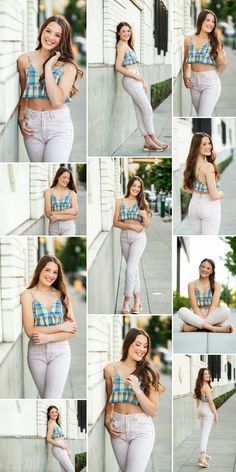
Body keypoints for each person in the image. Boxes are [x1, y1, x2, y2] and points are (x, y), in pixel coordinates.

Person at [17, 16, 83, 162]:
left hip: (58, 125)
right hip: (32, 124)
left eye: (57, 35)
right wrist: (21, 118)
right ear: (41, 31)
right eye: (48, 31)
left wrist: (48, 68)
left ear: (63, 39)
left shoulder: (68, 66)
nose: (50, 37)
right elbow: (24, 93)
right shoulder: (23, 60)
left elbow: (57, 100)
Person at [104, 328, 163, 472]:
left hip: (141, 429)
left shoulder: (149, 373)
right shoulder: (110, 369)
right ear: (128, 344)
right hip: (118, 428)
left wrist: (137, 389)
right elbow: (110, 399)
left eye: (145, 346)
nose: (142, 349)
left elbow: (153, 411)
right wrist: (108, 419)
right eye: (138, 344)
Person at [20, 255, 77, 398]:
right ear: (39, 270)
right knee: (47, 397)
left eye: (55, 272)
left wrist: (47, 337)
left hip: (61, 353)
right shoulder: (27, 295)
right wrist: (60, 327)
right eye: (47, 270)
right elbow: (30, 330)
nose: (51, 275)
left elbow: (72, 330)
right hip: (36, 354)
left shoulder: (62, 295)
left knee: (52, 397)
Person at [115, 22, 168, 152]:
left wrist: (142, 80)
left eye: (128, 31)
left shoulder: (128, 45)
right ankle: (153, 138)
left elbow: (136, 68)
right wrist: (135, 77)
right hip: (130, 80)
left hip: (136, 79)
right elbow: (118, 66)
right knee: (147, 109)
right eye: (123, 31)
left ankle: (147, 142)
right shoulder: (121, 46)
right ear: (119, 33)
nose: (127, 33)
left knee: (140, 110)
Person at [113, 176, 151, 314]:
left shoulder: (142, 203)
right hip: (124, 237)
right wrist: (130, 226)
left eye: (139, 187)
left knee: (129, 270)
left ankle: (126, 302)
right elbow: (115, 222)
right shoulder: (119, 201)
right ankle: (137, 302)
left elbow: (146, 226)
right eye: (134, 186)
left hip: (139, 238)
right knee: (133, 270)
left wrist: (145, 217)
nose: (136, 189)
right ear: (129, 186)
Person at [183, 9, 227, 117]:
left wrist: (222, 57)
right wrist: (186, 77)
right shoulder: (189, 40)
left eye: (213, 22)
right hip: (194, 83)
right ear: (200, 20)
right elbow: (186, 61)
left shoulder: (215, 40)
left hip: (210, 83)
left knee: (202, 116)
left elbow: (221, 69)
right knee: (202, 114)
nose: (211, 24)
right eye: (208, 20)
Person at [182, 132, 223, 235]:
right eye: (204, 144)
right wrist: (221, 194)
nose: (208, 146)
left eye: (209, 143)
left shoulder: (189, 164)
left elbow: (185, 188)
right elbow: (214, 195)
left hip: (194, 205)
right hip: (209, 206)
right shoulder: (208, 166)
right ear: (196, 146)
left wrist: (199, 191)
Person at [178, 258, 232, 333]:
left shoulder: (216, 285)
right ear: (199, 267)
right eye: (203, 267)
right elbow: (194, 306)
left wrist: (205, 319)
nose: (205, 270)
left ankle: (195, 327)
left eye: (208, 268)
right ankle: (214, 328)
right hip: (196, 314)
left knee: (226, 310)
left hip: (211, 315)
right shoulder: (191, 284)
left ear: (211, 271)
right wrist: (202, 318)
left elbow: (214, 305)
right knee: (182, 310)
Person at [194, 368, 218, 468]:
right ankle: (202, 458)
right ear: (201, 376)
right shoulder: (206, 386)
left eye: (208, 373)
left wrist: (198, 411)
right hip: (207, 410)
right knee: (205, 434)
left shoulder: (199, 385)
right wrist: (216, 414)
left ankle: (204, 453)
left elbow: (197, 399)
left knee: (204, 432)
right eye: (205, 374)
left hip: (201, 408)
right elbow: (211, 402)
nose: (208, 375)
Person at [45, 167, 78, 235]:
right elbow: (48, 213)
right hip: (53, 227)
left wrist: (58, 216)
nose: (67, 180)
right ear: (58, 177)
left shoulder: (72, 193)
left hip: (69, 227)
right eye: (64, 177)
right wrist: (68, 212)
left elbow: (76, 214)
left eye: (68, 178)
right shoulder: (48, 192)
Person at [46, 405, 75, 472]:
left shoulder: (55, 423)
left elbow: (62, 439)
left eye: (56, 412)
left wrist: (67, 450)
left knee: (64, 470)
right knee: (71, 470)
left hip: (62, 448)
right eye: (52, 412)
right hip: (58, 449)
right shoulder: (51, 423)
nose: (55, 413)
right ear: (49, 414)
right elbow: (48, 438)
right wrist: (61, 445)